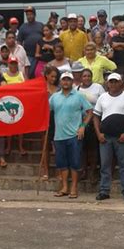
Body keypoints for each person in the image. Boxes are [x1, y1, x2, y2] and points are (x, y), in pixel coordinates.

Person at [94, 73, 124, 202]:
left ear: (121, 83)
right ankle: (104, 191)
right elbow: (96, 116)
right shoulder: (102, 97)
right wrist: (98, 134)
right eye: (111, 82)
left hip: (121, 137)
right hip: (105, 137)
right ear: (107, 83)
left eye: (115, 82)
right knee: (105, 165)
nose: (113, 84)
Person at [49, 71, 93, 199]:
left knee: (74, 163)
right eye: (64, 80)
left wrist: (83, 127)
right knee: (62, 164)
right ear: (60, 82)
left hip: (74, 135)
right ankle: (64, 187)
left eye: (68, 80)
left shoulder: (79, 96)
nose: (66, 82)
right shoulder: (55, 97)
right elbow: (46, 109)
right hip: (59, 135)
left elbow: (90, 111)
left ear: (72, 82)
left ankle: (74, 187)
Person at [77, 68, 105, 181]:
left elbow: (104, 101)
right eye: (84, 76)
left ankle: (93, 171)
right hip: (81, 122)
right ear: (81, 77)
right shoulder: (76, 89)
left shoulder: (98, 88)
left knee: (93, 148)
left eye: (89, 76)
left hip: (95, 122)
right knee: (82, 148)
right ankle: (83, 170)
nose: (87, 78)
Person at [3, 57, 27, 155]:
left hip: (19, 104)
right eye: (11, 63)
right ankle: (8, 147)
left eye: (14, 63)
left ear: (17, 64)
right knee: (9, 126)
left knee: (20, 127)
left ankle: (20, 146)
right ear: (8, 64)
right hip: (8, 103)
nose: (13, 65)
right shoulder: (4, 75)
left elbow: (26, 87)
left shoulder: (21, 74)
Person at [41, 65, 60, 180]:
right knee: (45, 146)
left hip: (56, 118)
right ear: (46, 75)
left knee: (57, 147)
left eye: (55, 77)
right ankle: (46, 170)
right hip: (44, 118)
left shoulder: (58, 89)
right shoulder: (41, 88)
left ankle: (59, 171)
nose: (53, 79)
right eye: (52, 76)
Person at [17, 6, 43, 78]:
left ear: (34, 15)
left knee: (39, 74)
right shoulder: (23, 27)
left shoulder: (40, 25)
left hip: (41, 56)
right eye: (27, 15)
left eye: (31, 14)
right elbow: (19, 42)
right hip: (29, 56)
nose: (29, 16)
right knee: (29, 74)